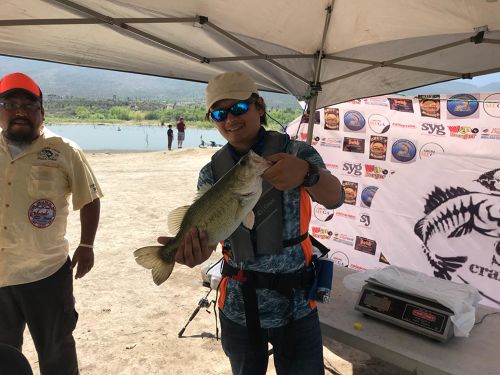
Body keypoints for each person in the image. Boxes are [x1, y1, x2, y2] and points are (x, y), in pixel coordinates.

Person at [158, 71, 344, 375]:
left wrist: (308, 174)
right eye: (219, 113)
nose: (229, 119)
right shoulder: (211, 173)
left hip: (296, 305)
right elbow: (209, 240)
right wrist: (194, 253)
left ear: (259, 105)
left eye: (239, 108)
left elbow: (335, 197)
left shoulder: (297, 153)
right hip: (238, 306)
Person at [0, 72, 103, 375]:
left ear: (42, 113)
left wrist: (86, 245)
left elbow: (90, 198)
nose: (20, 111)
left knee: (57, 352)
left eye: (29, 105)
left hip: (46, 273)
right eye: (10, 103)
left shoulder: (64, 150)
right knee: (4, 357)